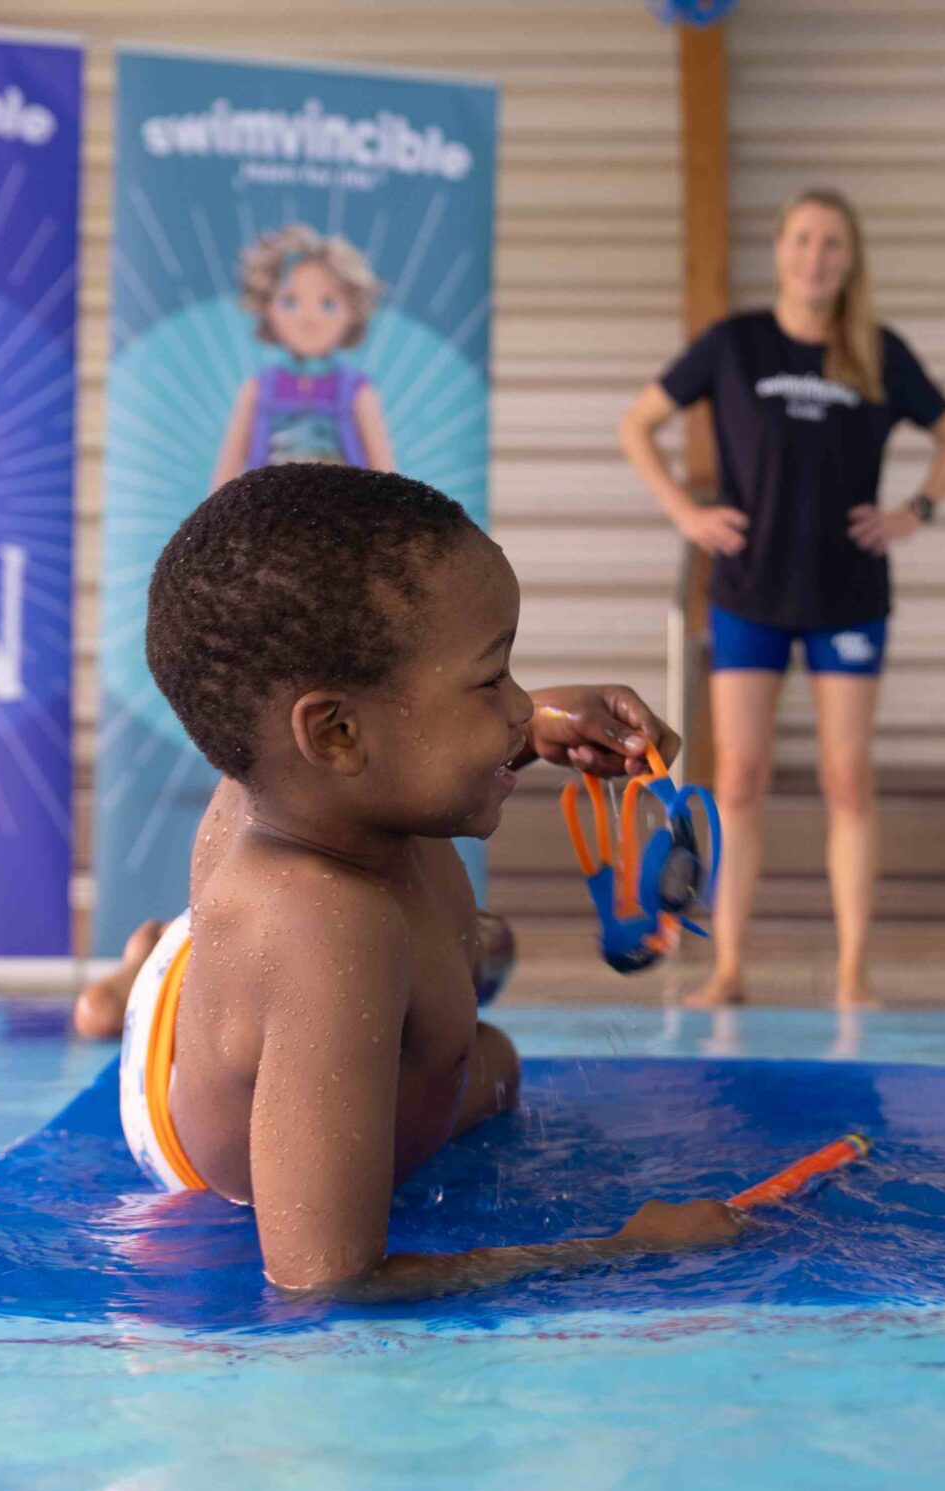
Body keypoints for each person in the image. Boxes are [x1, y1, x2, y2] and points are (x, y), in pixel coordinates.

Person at [89, 465, 739, 1299]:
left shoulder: (328, 779)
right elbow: (325, 1284)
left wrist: (546, 724)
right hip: (186, 1112)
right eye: (490, 681)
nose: (519, 707)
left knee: (487, 1040)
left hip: (232, 956)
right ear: (336, 732)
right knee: (476, 1045)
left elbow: (401, 737)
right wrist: (628, 1246)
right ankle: (132, 983)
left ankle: (155, 955)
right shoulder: (325, 931)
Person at [619, 187, 945, 1009]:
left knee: (847, 780)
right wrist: (685, 512)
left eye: (833, 245)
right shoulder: (735, 345)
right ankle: (729, 969)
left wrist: (912, 513)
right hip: (749, 589)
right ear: (780, 248)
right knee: (737, 778)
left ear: (851, 262)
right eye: (804, 240)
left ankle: (854, 973)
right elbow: (637, 423)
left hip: (848, 592)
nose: (816, 257)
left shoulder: (876, 353)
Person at [210, 226, 396, 491]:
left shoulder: (357, 392)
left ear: (353, 311)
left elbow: (385, 472)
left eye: (328, 303)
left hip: (342, 514)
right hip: (268, 514)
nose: (309, 318)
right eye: (289, 301)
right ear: (266, 307)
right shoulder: (258, 388)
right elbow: (227, 469)